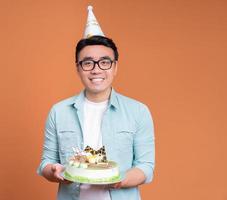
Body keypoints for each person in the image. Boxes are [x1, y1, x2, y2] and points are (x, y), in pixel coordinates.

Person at [37, 6, 155, 200]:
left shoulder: (138, 111)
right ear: (78, 68)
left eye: (105, 62)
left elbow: (146, 166)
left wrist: (118, 180)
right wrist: (55, 171)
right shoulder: (58, 112)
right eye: (88, 62)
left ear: (115, 66)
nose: (96, 69)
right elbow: (46, 163)